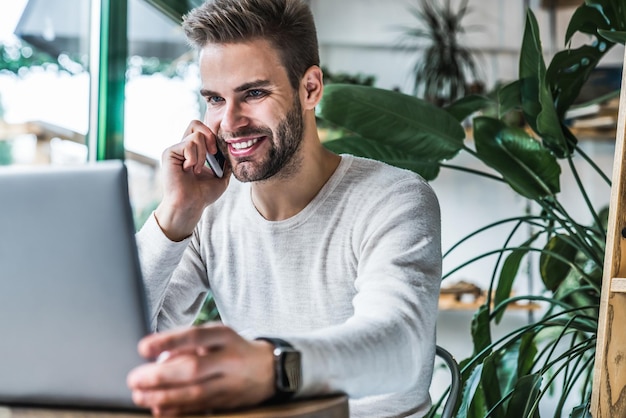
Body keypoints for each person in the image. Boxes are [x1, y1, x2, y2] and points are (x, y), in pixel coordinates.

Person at [126, 0, 442, 416]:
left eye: (253, 93)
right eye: (215, 99)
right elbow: (131, 340)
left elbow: (400, 346)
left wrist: (272, 364)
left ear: (309, 88)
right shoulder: (210, 211)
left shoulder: (393, 198)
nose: (231, 122)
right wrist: (175, 217)